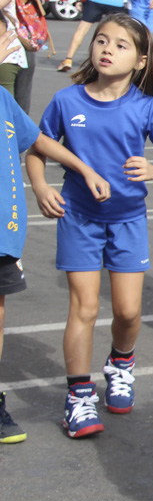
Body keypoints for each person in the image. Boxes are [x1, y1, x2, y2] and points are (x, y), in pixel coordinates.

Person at [27, 14, 153, 438]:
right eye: (101, 40)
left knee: (128, 312)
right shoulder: (66, 101)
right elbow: (37, 148)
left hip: (128, 221)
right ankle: (79, 397)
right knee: (84, 307)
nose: (107, 49)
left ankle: (121, 362)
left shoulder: (148, 107)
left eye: (120, 44)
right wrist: (41, 187)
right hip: (78, 218)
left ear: (139, 60)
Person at [0, 30, 109, 444]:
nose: (11, 48)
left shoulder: (3, 99)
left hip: (4, 235)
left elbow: (38, 140)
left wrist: (82, 169)